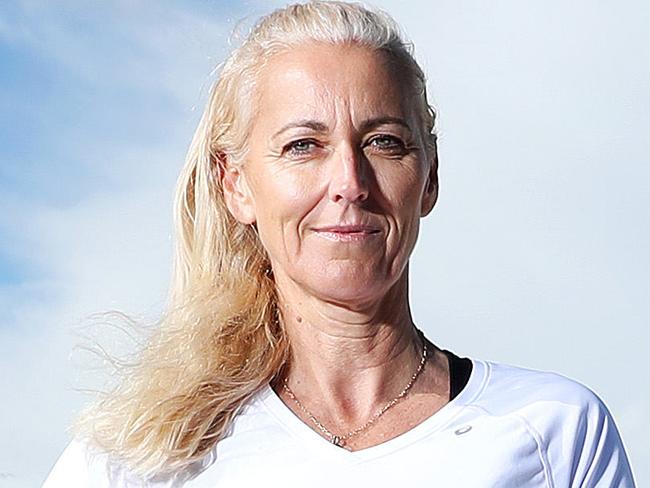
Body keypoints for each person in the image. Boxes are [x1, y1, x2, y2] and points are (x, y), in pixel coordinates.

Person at [43, 1, 636, 487]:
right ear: (237, 186)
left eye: (383, 142)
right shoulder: (137, 456)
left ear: (429, 178)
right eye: (304, 145)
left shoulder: (556, 430)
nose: (349, 183)